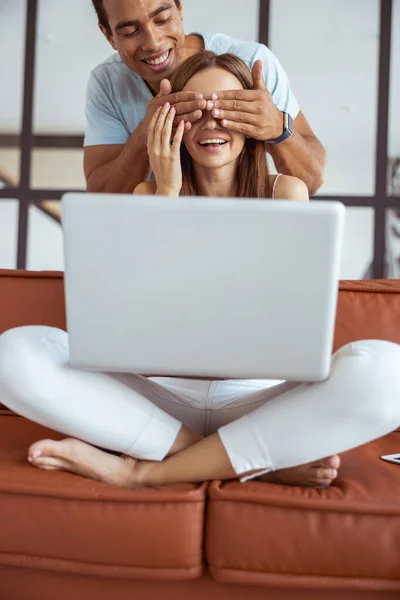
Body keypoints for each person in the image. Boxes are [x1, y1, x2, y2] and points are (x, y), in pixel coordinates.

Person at [0, 52, 400, 492]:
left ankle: (144, 471)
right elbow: (129, 309)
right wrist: (167, 191)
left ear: (252, 120)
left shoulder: (286, 191)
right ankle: (242, 457)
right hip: (160, 402)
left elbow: (282, 312)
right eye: (197, 110)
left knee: (387, 373)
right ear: (175, 122)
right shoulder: (147, 193)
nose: (213, 122)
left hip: (260, 400)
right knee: (14, 356)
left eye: (228, 108)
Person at [84, 0, 326, 196]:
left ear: (179, 9)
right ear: (108, 36)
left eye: (162, 19)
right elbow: (103, 198)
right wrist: (149, 131)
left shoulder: (253, 63)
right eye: (130, 31)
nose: (153, 43)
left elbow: (311, 180)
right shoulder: (108, 83)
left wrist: (278, 127)